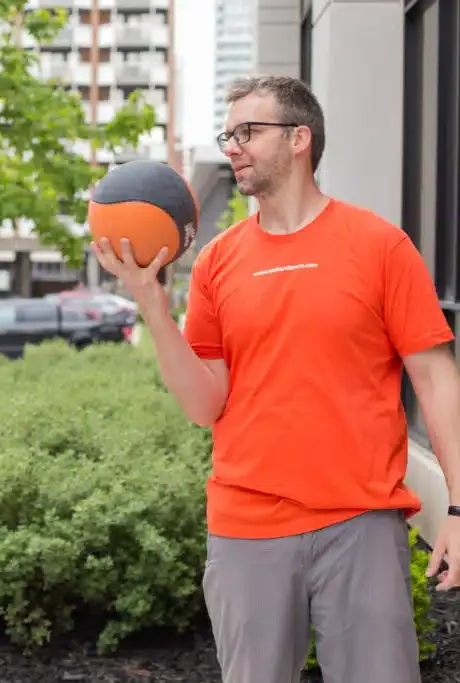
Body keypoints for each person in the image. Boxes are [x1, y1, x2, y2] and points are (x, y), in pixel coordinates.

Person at [92, 75, 460, 683]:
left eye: (248, 132)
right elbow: (204, 405)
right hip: (246, 530)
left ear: (298, 139)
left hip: (360, 523)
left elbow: (436, 379)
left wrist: (457, 506)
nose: (232, 146)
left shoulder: (379, 246)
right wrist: (151, 303)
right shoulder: (218, 261)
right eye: (227, 134)